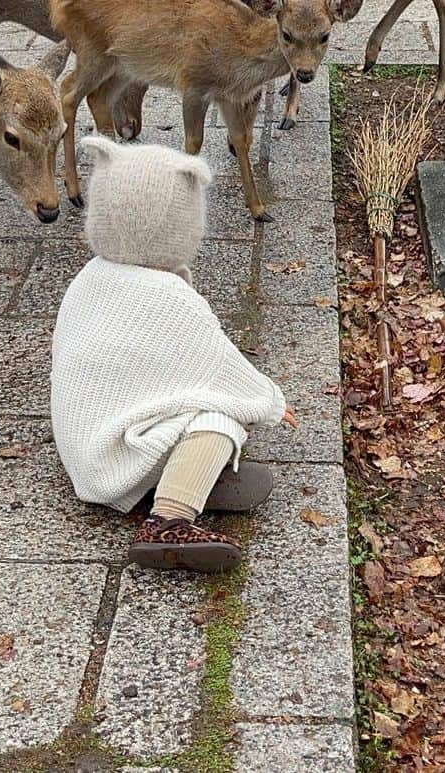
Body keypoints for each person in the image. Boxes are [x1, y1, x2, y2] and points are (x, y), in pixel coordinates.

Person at [50, 136, 293, 573]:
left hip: (81, 444)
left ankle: (176, 480)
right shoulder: (168, 297)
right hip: (114, 454)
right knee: (221, 419)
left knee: (190, 405)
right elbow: (217, 365)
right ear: (181, 226)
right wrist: (270, 400)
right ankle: (168, 521)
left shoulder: (88, 279)